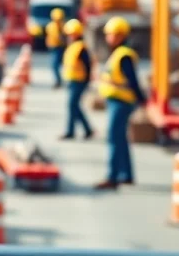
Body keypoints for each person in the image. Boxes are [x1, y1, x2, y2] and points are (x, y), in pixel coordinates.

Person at [94, 16, 146, 190]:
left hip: (121, 102)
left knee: (114, 138)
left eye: (111, 34)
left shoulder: (124, 56)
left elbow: (133, 81)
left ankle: (112, 176)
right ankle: (126, 174)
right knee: (120, 138)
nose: (108, 37)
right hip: (116, 100)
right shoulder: (118, 54)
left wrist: (142, 100)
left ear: (120, 35)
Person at [60, 18, 94, 140]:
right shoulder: (73, 46)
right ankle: (87, 130)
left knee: (72, 105)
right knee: (74, 106)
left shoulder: (81, 47)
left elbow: (88, 65)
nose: (68, 36)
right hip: (72, 80)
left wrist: (87, 81)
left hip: (79, 81)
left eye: (70, 34)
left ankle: (71, 131)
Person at [45, 7, 66, 88]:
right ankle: (58, 80)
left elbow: (64, 38)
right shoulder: (50, 26)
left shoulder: (63, 27)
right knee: (55, 65)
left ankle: (58, 81)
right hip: (53, 47)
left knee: (55, 65)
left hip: (60, 48)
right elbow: (48, 36)